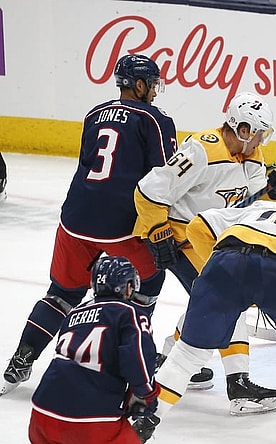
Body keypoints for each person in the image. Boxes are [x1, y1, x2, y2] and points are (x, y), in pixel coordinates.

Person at [2, 54, 177, 396]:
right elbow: (163, 179)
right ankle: (128, 359)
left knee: (62, 294)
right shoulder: (155, 120)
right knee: (151, 281)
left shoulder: (94, 114)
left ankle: (21, 358)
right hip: (122, 227)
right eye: (152, 85)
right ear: (139, 85)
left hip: (75, 219)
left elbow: (87, 165)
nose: (155, 92)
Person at [132, 185, 276, 444]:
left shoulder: (266, 207)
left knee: (185, 355)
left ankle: (145, 422)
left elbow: (198, 226)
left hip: (225, 262)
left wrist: (232, 280)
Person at [132, 91, 276, 414]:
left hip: (211, 236)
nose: (262, 140)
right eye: (259, 133)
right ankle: (238, 384)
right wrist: (156, 230)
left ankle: (169, 359)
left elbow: (254, 206)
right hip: (179, 236)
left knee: (215, 296)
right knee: (226, 294)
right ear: (244, 129)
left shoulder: (251, 158)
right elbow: (150, 190)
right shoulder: (202, 150)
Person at [28, 256, 160, 444]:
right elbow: (137, 358)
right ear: (128, 286)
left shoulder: (73, 314)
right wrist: (146, 395)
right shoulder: (130, 313)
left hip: (42, 413)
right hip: (91, 419)